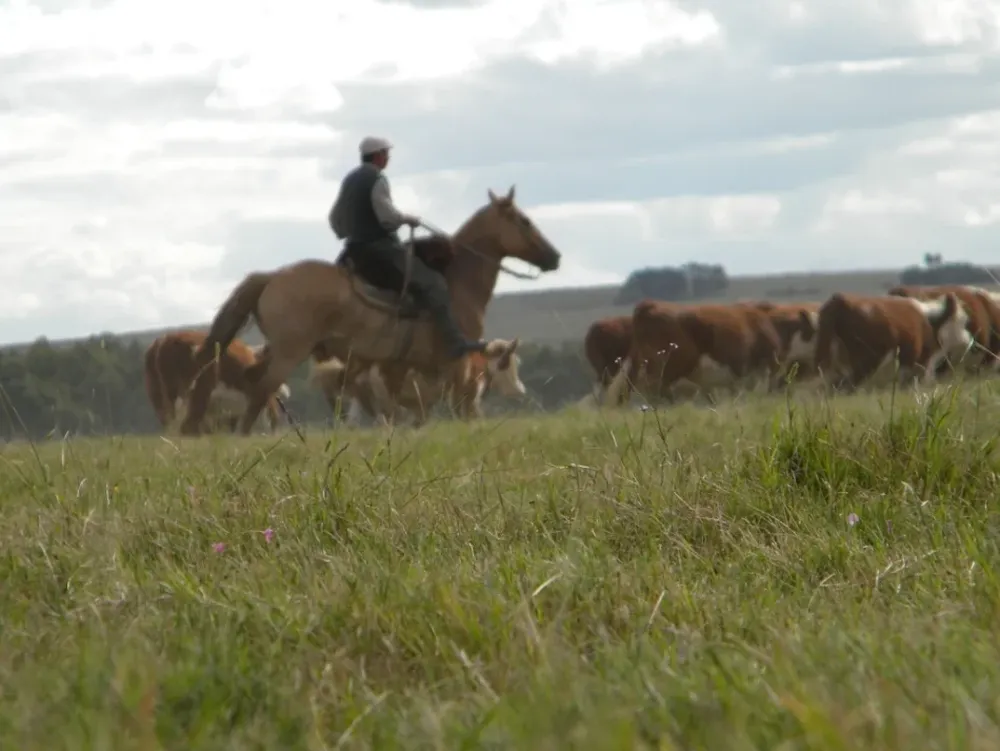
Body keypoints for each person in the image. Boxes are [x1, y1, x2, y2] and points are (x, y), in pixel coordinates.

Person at [328, 136, 488, 360]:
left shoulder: (350, 179)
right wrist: (405, 219)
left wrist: (349, 233)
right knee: (434, 284)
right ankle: (454, 343)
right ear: (378, 156)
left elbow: (335, 218)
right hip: (379, 248)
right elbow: (386, 216)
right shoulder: (377, 178)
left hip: (353, 249)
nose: (388, 158)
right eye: (386, 154)